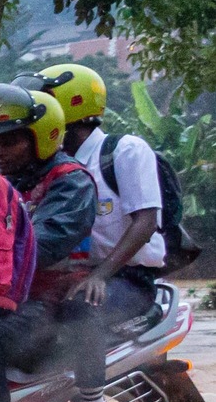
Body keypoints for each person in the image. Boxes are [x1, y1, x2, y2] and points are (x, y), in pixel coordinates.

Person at [0, 82, 113, 402]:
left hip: (51, 302)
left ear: (42, 138)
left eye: (10, 142)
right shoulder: (6, 184)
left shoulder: (70, 180)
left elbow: (42, 244)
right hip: (11, 296)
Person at [24, 62, 163, 334]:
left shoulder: (124, 151)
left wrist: (100, 275)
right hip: (70, 274)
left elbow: (146, 222)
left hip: (126, 278)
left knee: (80, 310)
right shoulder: (53, 165)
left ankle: (91, 379)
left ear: (69, 104)